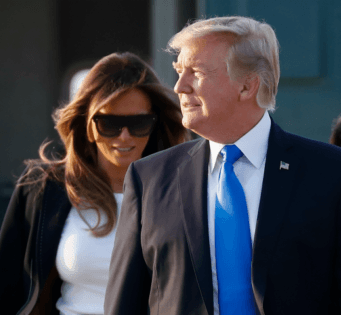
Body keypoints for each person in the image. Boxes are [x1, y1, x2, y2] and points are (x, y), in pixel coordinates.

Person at [105, 17, 341, 315]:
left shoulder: (330, 173)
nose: (179, 86)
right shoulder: (149, 179)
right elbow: (125, 304)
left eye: (196, 72)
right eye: (179, 72)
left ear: (246, 85)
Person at [0, 52, 190, 315]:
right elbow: (8, 293)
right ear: (88, 125)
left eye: (139, 123)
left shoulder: (183, 191)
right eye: (109, 123)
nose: (124, 136)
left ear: (155, 123)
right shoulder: (43, 189)